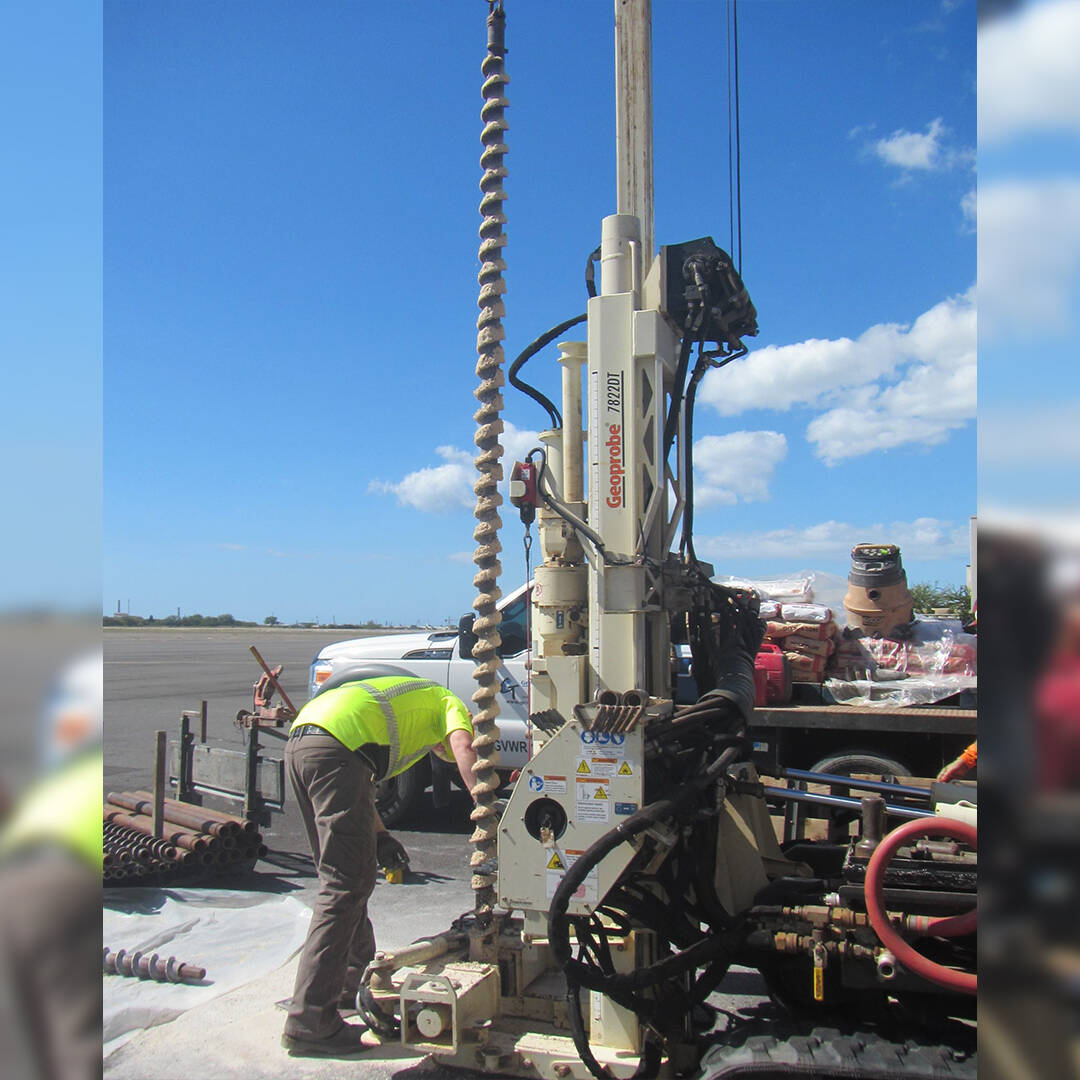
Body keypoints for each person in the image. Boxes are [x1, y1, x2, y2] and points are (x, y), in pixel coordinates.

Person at [281, 676, 476, 1058]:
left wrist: (381, 836)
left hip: (304, 744)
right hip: (336, 748)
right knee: (345, 885)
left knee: (343, 879)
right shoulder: (448, 701)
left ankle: (345, 988)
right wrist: (484, 805)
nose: (439, 750)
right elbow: (463, 745)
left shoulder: (400, 711)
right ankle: (310, 1023)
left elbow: (360, 788)